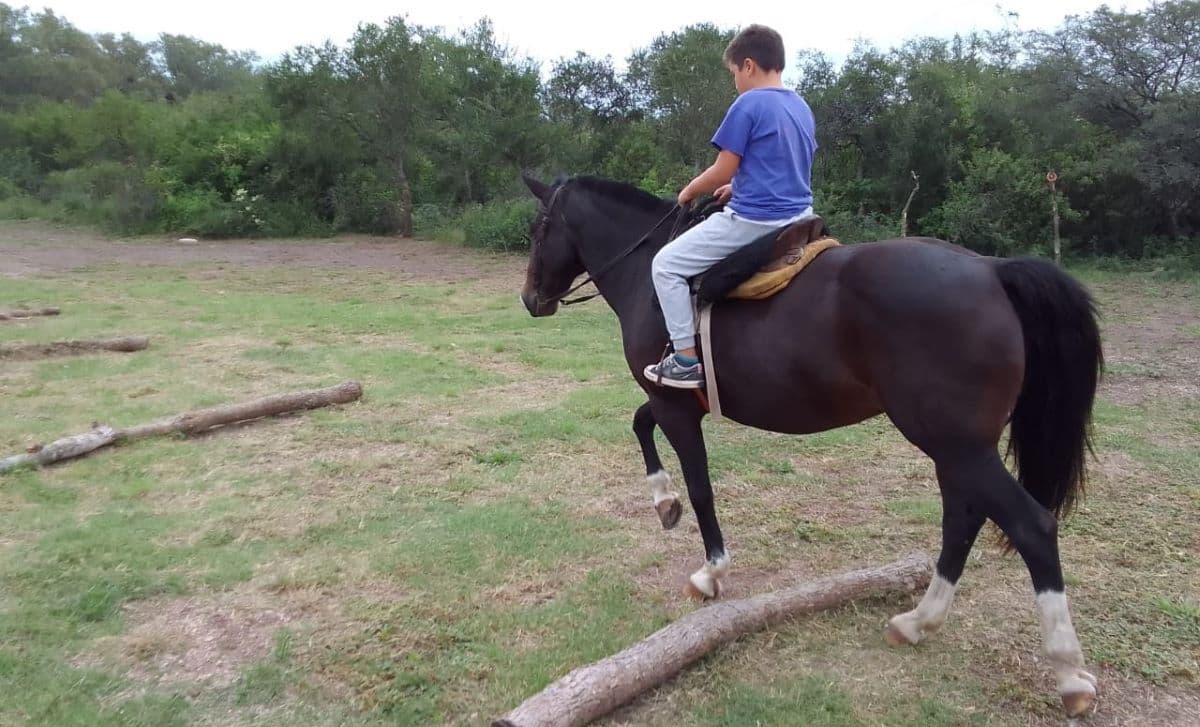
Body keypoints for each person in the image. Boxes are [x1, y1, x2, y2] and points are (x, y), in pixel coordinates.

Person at [644, 24, 817, 389]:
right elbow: (780, 163)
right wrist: (735, 186)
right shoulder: (799, 105)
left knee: (665, 265)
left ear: (749, 65)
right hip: (801, 216)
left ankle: (686, 359)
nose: (735, 81)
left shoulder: (749, 103)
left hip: (757, 220)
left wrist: (691, 189)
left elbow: (724, 164)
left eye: (734, 73)